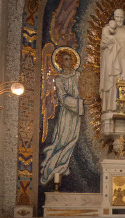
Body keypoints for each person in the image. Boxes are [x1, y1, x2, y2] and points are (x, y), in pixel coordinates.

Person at [40, 47, 84, 185]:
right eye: (66, 59)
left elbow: (86, 88)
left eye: (70, 58)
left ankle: (62, 165)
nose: (69, 61)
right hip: (67, 113)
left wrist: (86, 98)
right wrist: (79, 102)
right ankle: (52, 167)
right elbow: (62, 97)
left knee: (73, 138)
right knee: (62, 139)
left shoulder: (78, 76)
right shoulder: (59, 79)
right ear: (60, 62)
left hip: (77, 114)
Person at [100, 8, 125, 114]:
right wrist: (109, 43)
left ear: (124, 18)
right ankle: (112, 107)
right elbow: (102, 45)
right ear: (114, 17)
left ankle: (124, 108)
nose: (119, 19)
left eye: (121, 17)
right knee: (113, 81)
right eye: (117, 17)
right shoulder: (108, 29)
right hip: (112, 59)